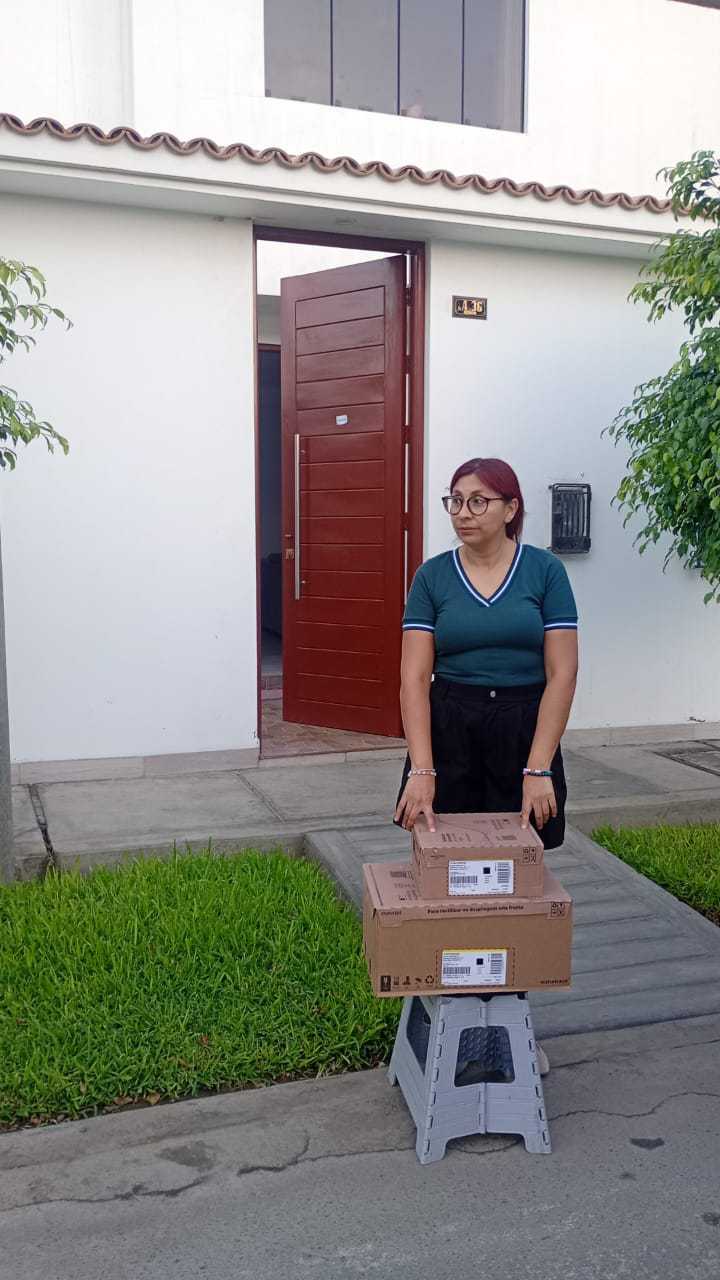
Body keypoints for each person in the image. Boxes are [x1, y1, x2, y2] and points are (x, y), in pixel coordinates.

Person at [394, 457, 579, 1075]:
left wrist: (538, 767)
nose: (463, 513)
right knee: (449, 880)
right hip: (451, 727)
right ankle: (455, 1027)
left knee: (514, 882)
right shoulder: (432, 577)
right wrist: (423, 770)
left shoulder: (545, 572)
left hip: (523, 731)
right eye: (454, 500)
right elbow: (414, 677)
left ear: (510, 508)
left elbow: (562, 673)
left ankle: (511, 1027)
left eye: (478, 501)